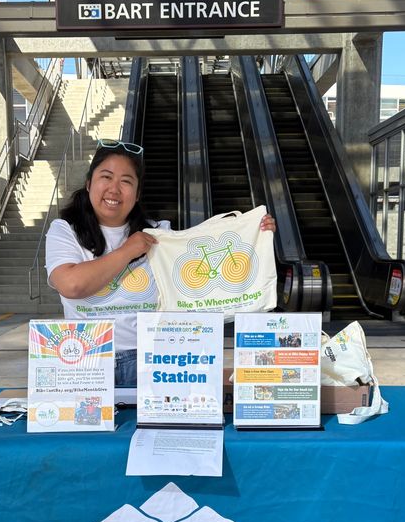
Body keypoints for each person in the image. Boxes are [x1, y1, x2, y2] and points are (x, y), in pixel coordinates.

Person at [45, 139, 275, 387]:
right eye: (106, 177)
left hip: (153, 361)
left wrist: (253, 233)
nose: (114, 189)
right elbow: (71, 285)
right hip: (86, 361)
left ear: (137, 193)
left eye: (126, 181)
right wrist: (127, 251)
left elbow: (201, 279)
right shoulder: (64, 231)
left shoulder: (159, 234)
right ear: (89, 183)